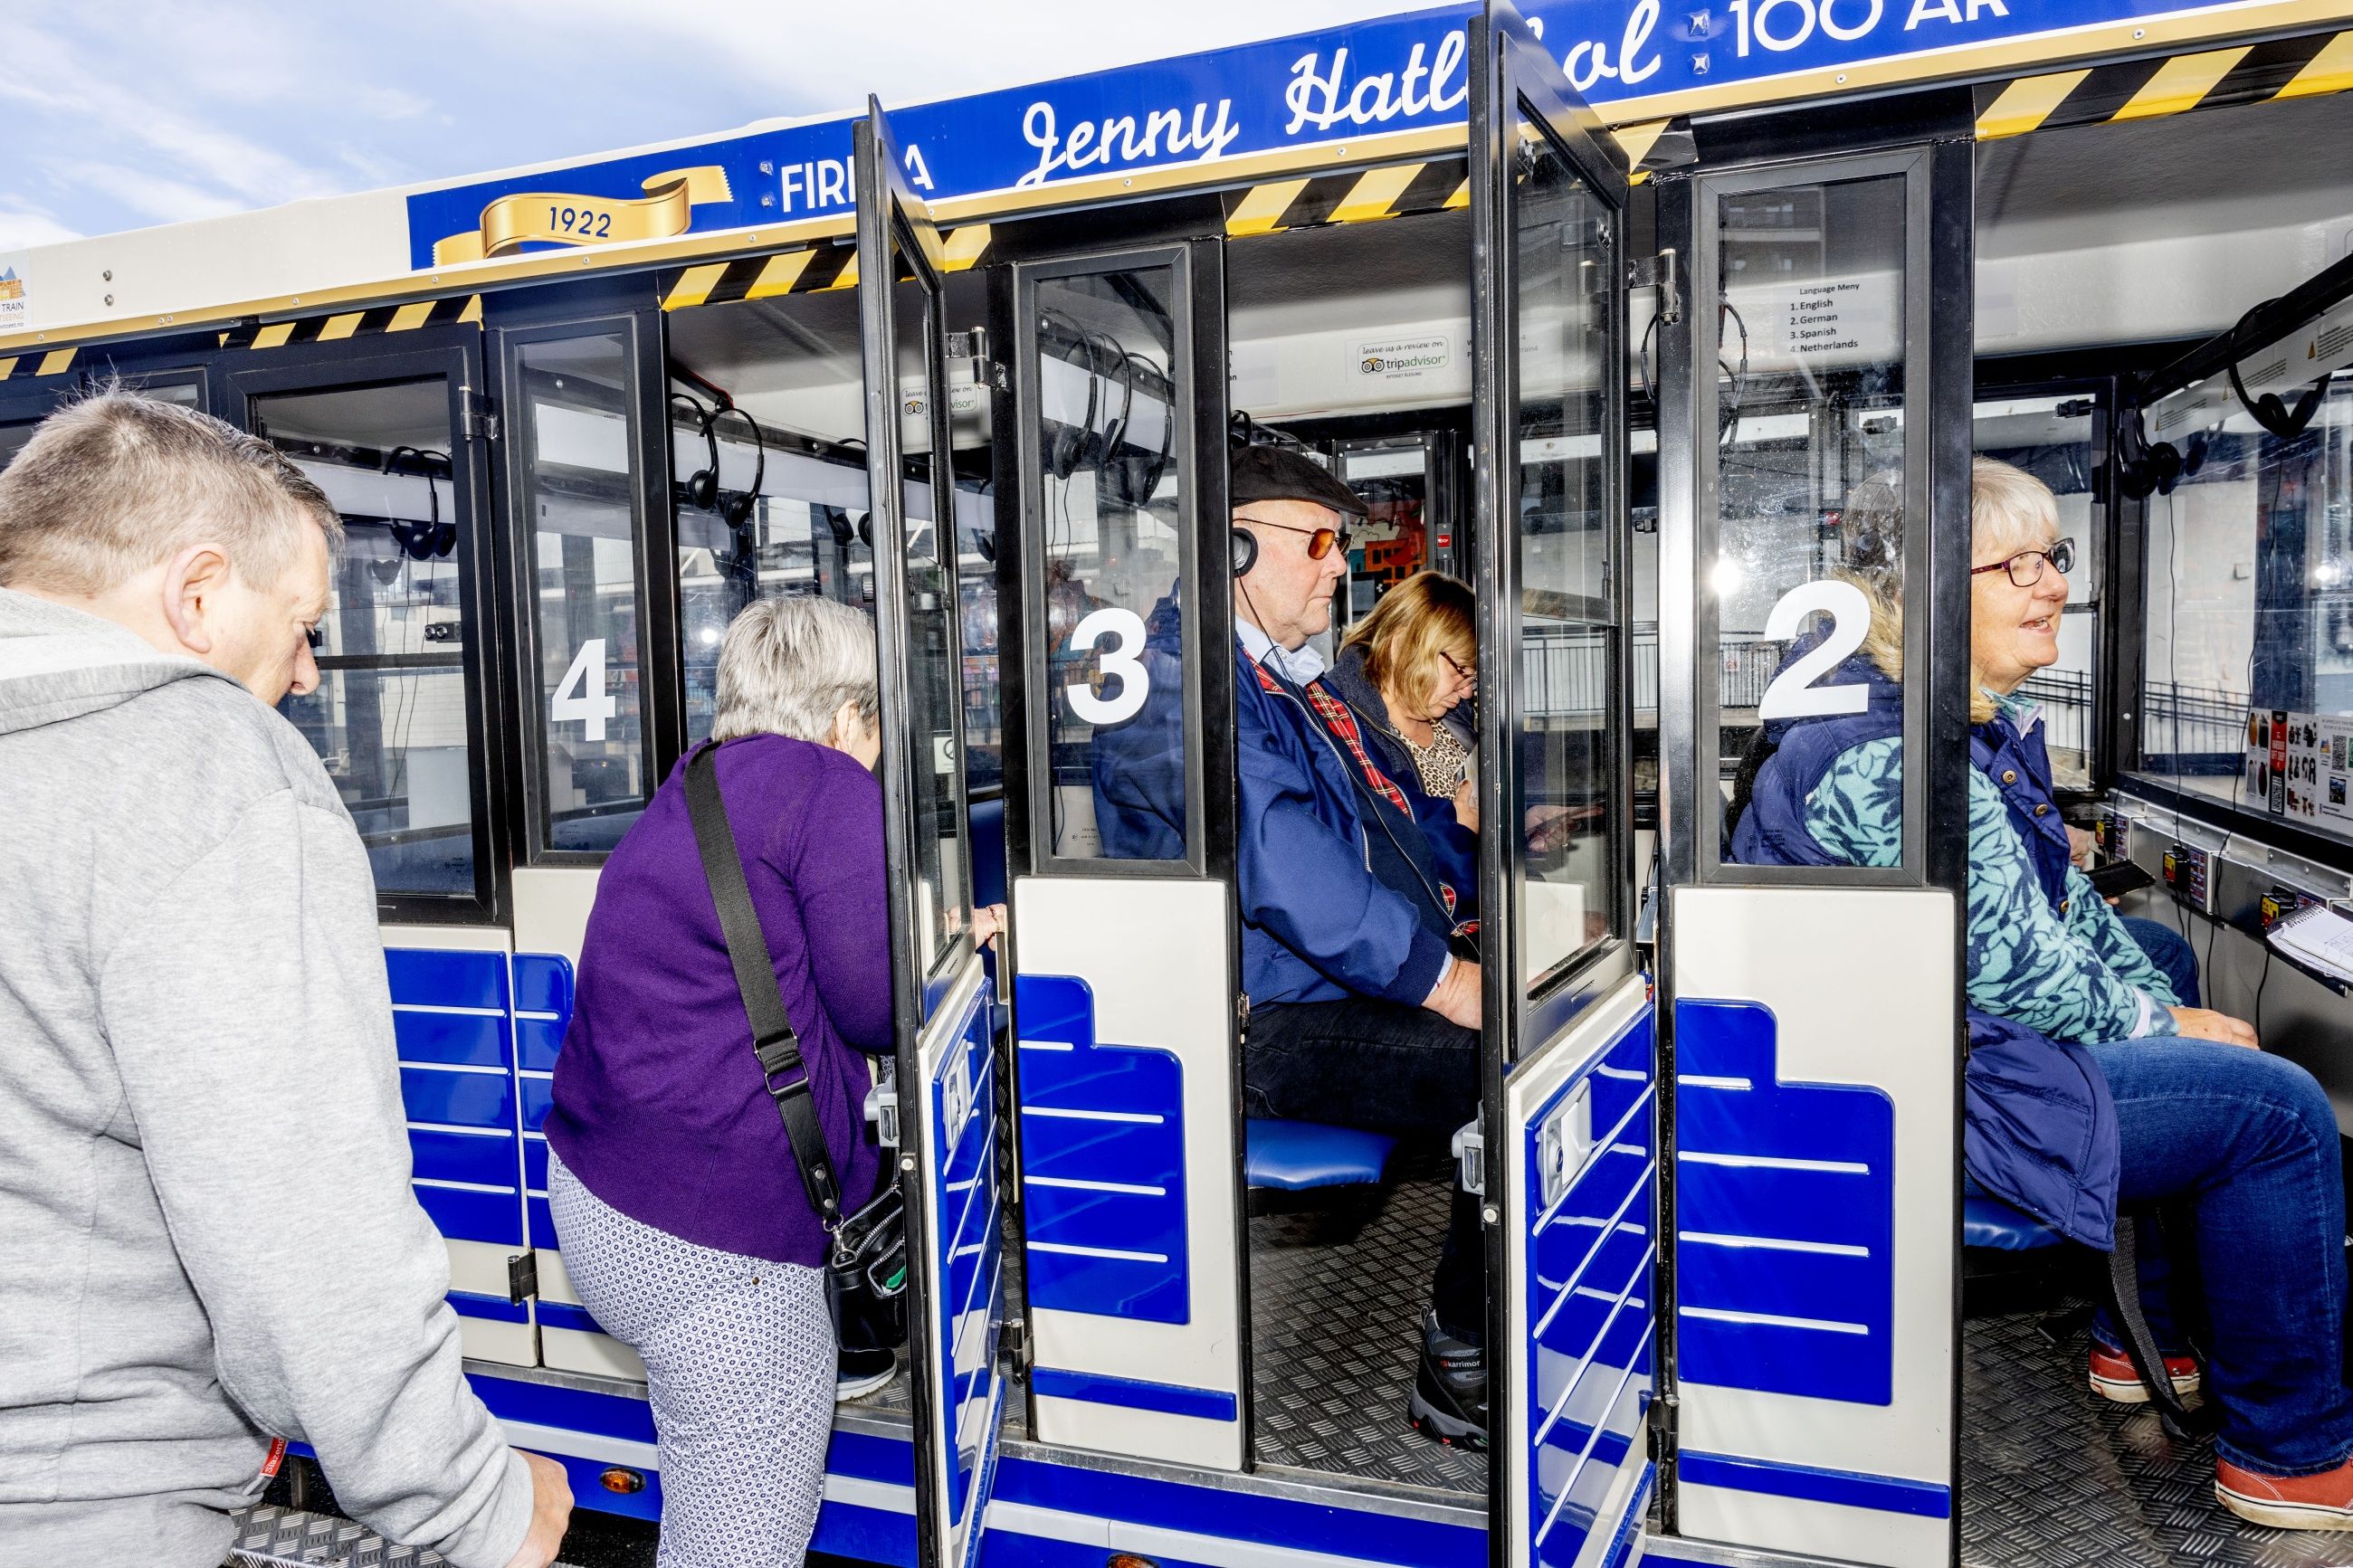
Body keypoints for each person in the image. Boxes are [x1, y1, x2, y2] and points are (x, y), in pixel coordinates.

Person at [1729, 455, 2353, 1530]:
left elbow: (2058, 914)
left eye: (2050, 557)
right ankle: (2291, 1458)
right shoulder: (1894, 756)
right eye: (2012, 564)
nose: (2052, 583)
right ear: (1917, 591)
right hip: (1916, 1085)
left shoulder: (1937, 725)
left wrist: (2154, 1003)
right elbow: (2016, 969)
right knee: (2279, 1110)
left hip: (1927, 1040)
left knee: (2155, 959)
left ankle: (2140, 1335)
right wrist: (2169, 1028)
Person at [0, 394, 569, 1568]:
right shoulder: (205, 767)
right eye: (303, 623)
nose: (310, 673)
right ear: (198, 591)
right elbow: (300, 1233)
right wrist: (471, 1501)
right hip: (78, 1502)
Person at [546, 595, 1003, 1567]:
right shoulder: (827, 782)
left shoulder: (698, 782)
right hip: (717, 1250)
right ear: (846, 717)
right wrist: (958, 940)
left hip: (602, 1199)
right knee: (740, 1542)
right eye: (878, 721)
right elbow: (877, 1005)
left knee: (704, 1489)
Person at [1091, 442, 1490, 1446]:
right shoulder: (1175, 691)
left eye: (1336, 545)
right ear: (1227, 549)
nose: (1334, 567)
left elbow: (1386, 822)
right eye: (1314, 542)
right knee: (1508, 1070)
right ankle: (1464, 1358)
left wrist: (1487, 916)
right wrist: (1443, 980)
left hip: (1320, 990)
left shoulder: (1280, 685)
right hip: (1253, 1024)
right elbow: (1280, 859)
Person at [1322, 571, 1481, 924]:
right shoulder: (1344, 727)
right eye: (1461, 670)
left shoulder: (1453, 714)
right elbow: (1387, 856)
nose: (1468, 691)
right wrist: (1464, 829)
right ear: (1403, 643)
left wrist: (1523, 822)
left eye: (1474, 677)